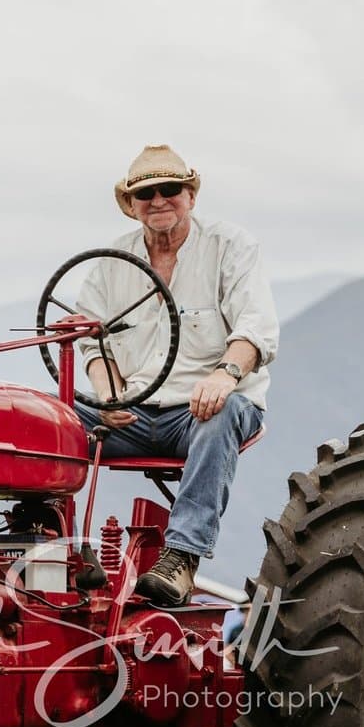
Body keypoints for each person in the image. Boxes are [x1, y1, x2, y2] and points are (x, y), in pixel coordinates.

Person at [71, 145, 281, 606]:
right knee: (51, 418)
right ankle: (59, 548)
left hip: (200, 412)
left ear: (190, 195)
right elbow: (91, 336)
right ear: (131, 204)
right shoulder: (113, 261)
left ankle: (181, 558)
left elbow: (256, 327)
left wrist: (225, 375)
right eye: (147, 193)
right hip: (133, 416)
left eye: (171, 189)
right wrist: (109, 394)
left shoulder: (230, 246)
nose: (159, 200)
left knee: (222, 413)